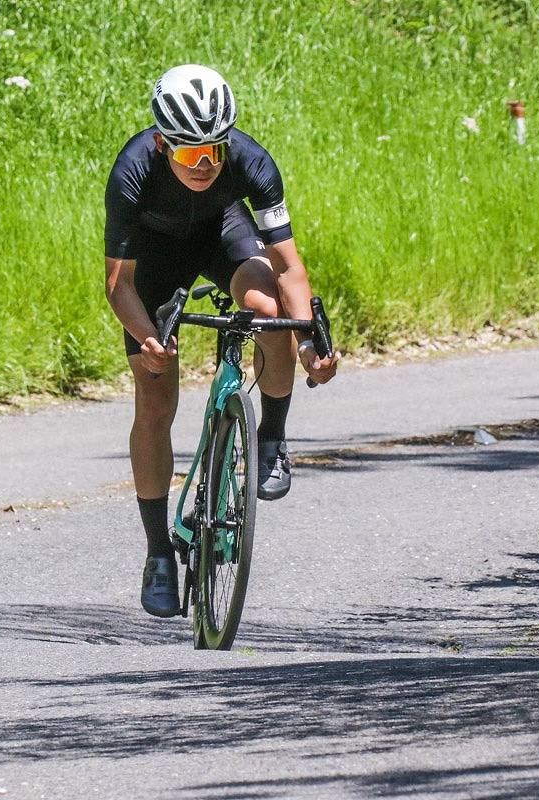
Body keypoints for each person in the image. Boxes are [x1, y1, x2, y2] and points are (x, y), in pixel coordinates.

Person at [104, 64, 338, 618]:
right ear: (162, 144)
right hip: (155, 259)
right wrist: (146, 338)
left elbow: (289, 267)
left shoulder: (252, 162)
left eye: (214, 151)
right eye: (190, 155)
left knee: (271, 313)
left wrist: (307, 342)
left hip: (224, 236)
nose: (206, 166)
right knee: (155, 395)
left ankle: (271, 438)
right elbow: (119, 284)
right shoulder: (131, 171)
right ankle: (159, 552)